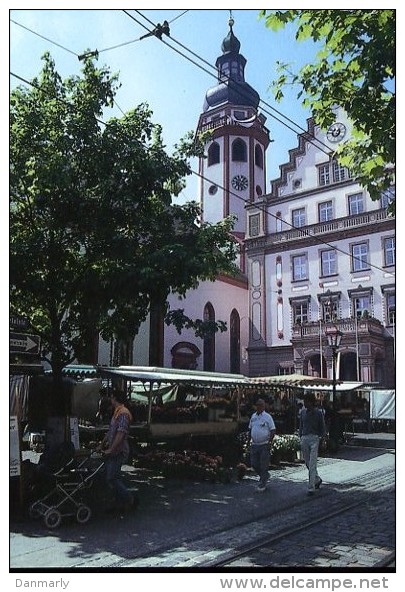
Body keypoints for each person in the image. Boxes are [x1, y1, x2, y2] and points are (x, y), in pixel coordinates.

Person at [101, 390, 134, 512]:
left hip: (119, 451)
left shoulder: (123, 414)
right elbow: (111, 431)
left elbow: (120, 434)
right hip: (114, 450)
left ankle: (129, 499)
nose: (110, 400)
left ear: (114, 398)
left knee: (111, 478)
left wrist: (111, 449)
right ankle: (119, 502)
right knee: (114, 477)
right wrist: (101, 444)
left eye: (111, 398)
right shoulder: (117, 412)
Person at [299, 392, 326, 496]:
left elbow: (322, 428)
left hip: (314, 438)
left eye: (307, 401)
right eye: (304, 401)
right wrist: (300, 436)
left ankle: (311, 487)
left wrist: (323, 440)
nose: (305, 403)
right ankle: (317, 479)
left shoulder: (318, 413)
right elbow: (301, 425)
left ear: (311, 402)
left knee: (312, 463)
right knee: (307, 461)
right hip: (305, 437)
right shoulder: (303, 412)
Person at [248, 398, 276, 492]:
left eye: (260, 405)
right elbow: (250, 429)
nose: (258, 406)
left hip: (264, 444)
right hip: (255, 444)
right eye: (257, 405)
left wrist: (270, 442)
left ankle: (262, 483)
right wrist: (248, 441)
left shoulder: (267, 417)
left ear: (263, 406)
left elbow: (273, 430)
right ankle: (264, 476)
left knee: (263, 464)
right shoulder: (253, 416)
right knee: (254, 463)